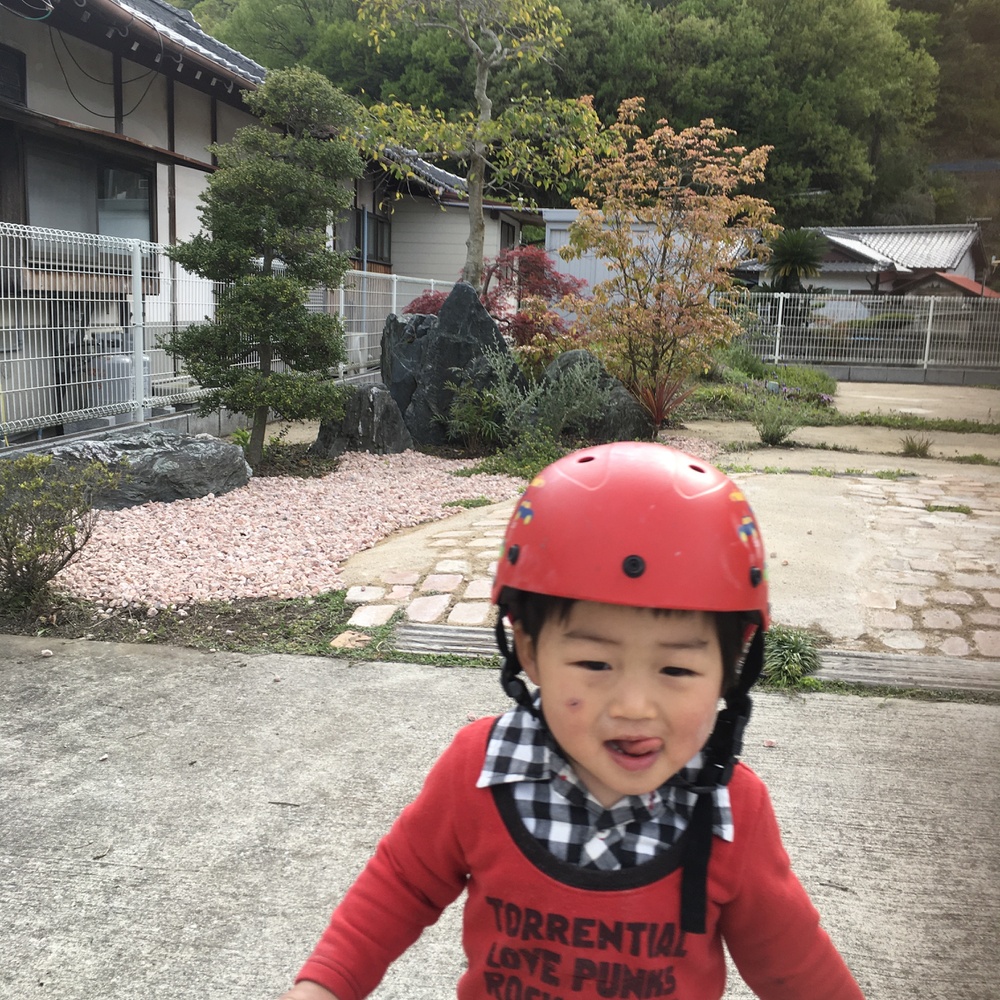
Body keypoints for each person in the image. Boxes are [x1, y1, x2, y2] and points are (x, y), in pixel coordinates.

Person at [280, 442, 866, 1000]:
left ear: (730, 671)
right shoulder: (478, 773)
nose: (634, 706)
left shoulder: (731, 811)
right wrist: (325, 983)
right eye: (594, 663)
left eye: (677, 670)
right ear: (528, 652)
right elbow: (402, 886)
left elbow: (793, 966)